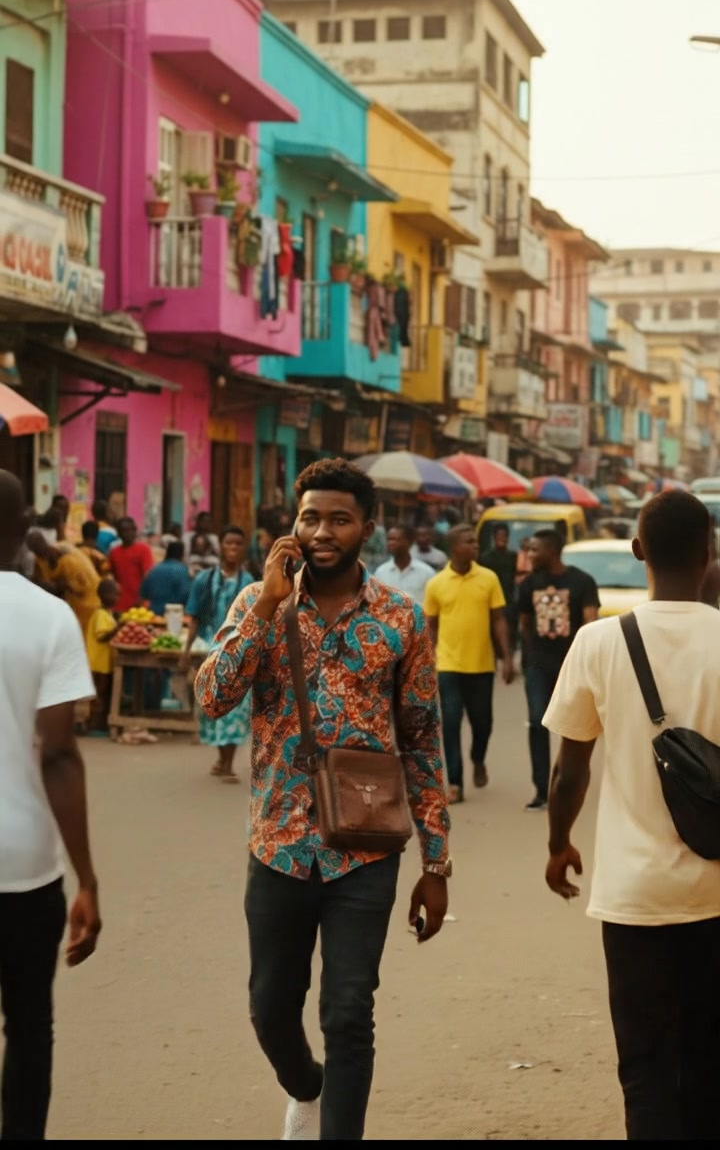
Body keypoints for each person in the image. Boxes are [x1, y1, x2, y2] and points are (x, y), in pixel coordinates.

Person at [194, 458, 450, 1142]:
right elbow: (213, 695)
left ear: (367, 526)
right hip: (277, 844)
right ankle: (305, 1086)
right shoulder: (258, 602)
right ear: (293, 523)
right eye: (310, 517)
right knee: (269, 1007)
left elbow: (424, 741)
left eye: (339, 518)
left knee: (348, 1012)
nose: (322, 531)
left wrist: (436, 864)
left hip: (364, 849)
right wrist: (271, 605)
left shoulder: (400, 618)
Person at [543, 491, 720, 1142]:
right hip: (717, 895)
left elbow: (569, 771)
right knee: (709, 1063)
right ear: (711, 551)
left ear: (638, 550)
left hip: (633, 897)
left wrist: (559, 843)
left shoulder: (598, 643)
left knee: (644, 1066)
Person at [0, 470, 101, 1140]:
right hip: (24, 867)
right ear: (22, 529)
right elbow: (59, 752)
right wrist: (88, 880)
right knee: (30, 1024)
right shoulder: (46, 616)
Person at [425, 523, 514, 803]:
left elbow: (499, 619)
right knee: (450, 723)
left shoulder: (488, 578)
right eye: (470, 542)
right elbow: (431, 625)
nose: (476, 546)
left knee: (482, 723)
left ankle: (478, 758)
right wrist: (427, 659)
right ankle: (455, 783)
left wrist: (507, 657)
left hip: (481, 665)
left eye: (476, 542)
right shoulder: (436, 583)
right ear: (454, 549)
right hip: (448, 665)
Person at [517, 529, 599, 811]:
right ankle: (542, 790)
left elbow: (590, 622)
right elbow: (525, 623)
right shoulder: (529, 584)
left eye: (534, 550)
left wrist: (586, 661)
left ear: (551, 551)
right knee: (537, 722)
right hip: (539, 663)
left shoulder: (582, 582)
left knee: (573, 728)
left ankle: (567, 784)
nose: (529, 555)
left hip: (571, 663)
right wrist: (530, 658)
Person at [183, 526, 254, 783]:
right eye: (229, 544)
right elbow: (193, 617)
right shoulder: (204, 580)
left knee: (236, 706)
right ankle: (221, 758)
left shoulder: (249, 584)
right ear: (221, 547)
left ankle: (228, 763)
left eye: (238, 544)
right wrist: (186, 652)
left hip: (239, 653)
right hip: (210, 651)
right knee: (213, 704)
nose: (233, 549)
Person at [28, 530, 101, 636]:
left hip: (90, 603)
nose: (39, 553)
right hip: (72, 606)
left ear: (44, 543)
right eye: (35, 550)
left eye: (39, 547)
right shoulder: (40, 559)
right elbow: (37, 580)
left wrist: (60, 586)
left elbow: (83, 588)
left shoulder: (68, 561)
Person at [86, 577, 120, 731]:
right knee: (99, 695)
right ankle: (93, 724)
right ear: (104, 595)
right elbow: (101, 637)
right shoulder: (100, 614)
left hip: (104, 662)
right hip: (98, 663)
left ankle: (98, 723)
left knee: (103, 693)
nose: (117, 598)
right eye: (114, 594)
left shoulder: (107, 613)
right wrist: (118, 628)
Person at [374, 522, 435, 606]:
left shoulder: (427, 572)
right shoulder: (381, 572)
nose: (391, 543)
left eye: (396, 539)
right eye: (389, 539)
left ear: (409, 541)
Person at [482, 524, 519, 650]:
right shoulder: (486, 557)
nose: (502, 539)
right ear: (494, 537)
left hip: (508, 600)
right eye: (499, 536)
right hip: (490, 602)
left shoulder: (513, 556)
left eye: (504, 536)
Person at [109, 518, 155, 613]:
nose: (127, 534)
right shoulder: (114, 553)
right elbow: (112, 577)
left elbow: (148, 576)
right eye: (123, 531)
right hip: (119, 605)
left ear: (135, 531)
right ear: (119, 533)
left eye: (130, 530)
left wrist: (143, 597)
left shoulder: (144, 550)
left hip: (139, 604)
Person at [140, 541, 192, 617]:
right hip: (173, 615)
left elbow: (144, 592)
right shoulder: (182, 570)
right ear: (182, 554)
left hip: (153, 614)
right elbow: (185, 593)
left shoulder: (154, 569)